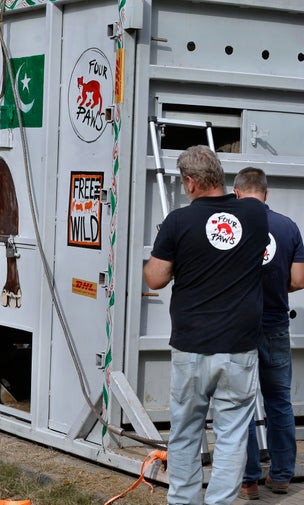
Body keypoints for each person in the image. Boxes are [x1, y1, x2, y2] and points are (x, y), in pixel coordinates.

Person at [143, 145, 268, 505]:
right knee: (231, 436)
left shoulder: (178, 222)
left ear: (191, 182)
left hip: (192, 346)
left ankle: (183, 501)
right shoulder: (255, 215)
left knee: (184, 433)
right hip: (239, 348)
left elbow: (155, 278)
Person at [233, 167, 304, 499]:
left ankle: (248, 479)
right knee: (279, 402)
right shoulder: (288, 227)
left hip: (239, 327)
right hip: (276, 324)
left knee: (241, 404)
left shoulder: (229, 226)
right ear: (266, 193)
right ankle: (281, 476)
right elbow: (299, 280)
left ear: (237, 193)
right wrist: (276, 287)